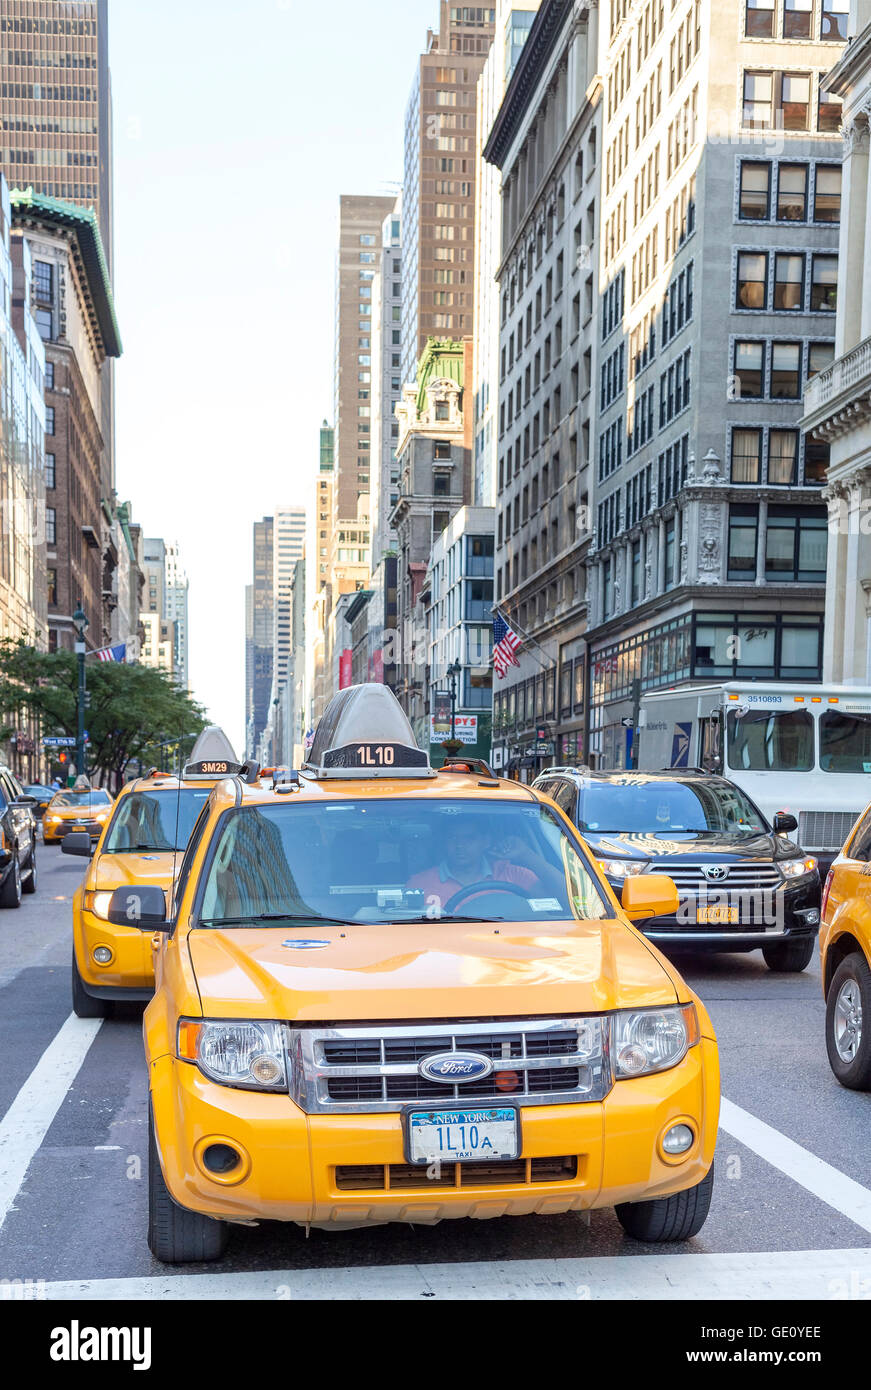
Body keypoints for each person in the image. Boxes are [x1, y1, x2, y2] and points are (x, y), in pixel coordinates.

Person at [405, 815, 564, 914]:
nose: (460, 845)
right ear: (443, 843)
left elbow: (567, 900)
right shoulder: (419, 884)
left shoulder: (513, 874)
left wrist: (527, 855)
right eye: (452, 838)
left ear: (485, 841)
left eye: (469, 838)